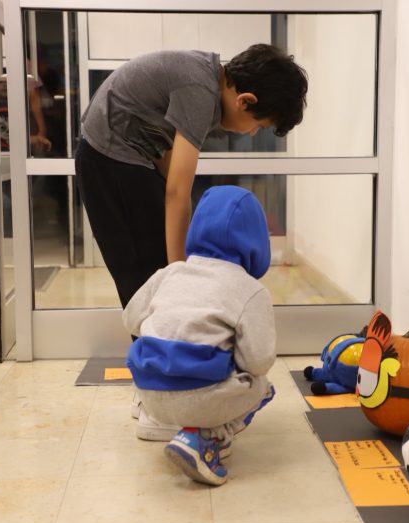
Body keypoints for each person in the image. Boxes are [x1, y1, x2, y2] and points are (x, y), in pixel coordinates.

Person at [75, 43, 308, 310]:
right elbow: (177, 191)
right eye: (259, 125)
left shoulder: (206, 77)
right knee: (145, 279)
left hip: (125, 156)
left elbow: (167, 162)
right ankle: (159, 334)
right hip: (108, 159)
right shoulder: (201, 93)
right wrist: (182, 277)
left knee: (158, 268)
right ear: (245, 100)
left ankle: (168, 327)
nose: (253, 132)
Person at [123, 185, 277, 486]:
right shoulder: (250, 290)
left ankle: (175, 422)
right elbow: (258, 361)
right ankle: (207, 436)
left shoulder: (171, 273)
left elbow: (131, 320)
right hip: (200, 399)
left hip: (148, 394)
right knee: (262, 385)